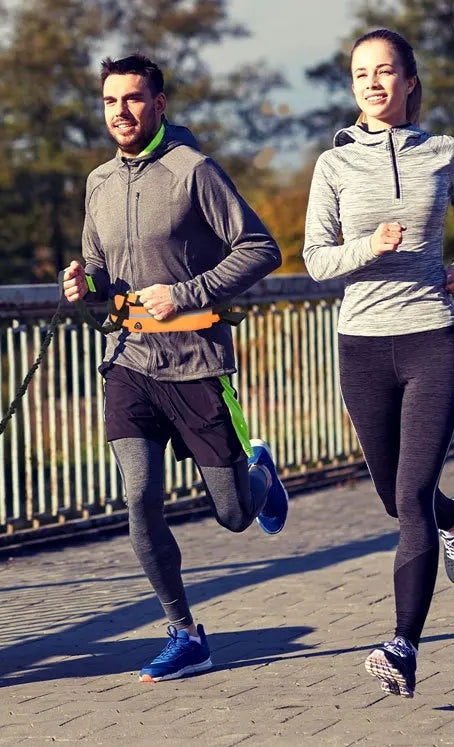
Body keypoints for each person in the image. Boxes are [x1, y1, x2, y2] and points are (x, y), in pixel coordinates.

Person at [62, 53, 289, 683]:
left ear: (160, 104)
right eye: (110, 101)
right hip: (130, 361)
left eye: (133, 99)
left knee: (234, 515)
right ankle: (185, 632)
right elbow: (101, 269)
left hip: (195, 361)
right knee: (139, 497)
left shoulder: (195, 172)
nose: (121, 112)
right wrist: (84, 284)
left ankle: (260, 477)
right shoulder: (98, 182)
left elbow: (261, 248)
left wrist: (186, 294)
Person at [303, 29, 454, 699]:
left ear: (410, 81)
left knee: (413, 495)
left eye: (386, 71)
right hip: (361, 345)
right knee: (398, 499)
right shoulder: (333, 166)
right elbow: (313, 259)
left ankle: (402, 645)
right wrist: (367, 246)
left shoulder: (443, 154)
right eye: (362, 73)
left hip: (431, 337)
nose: (373, 82)